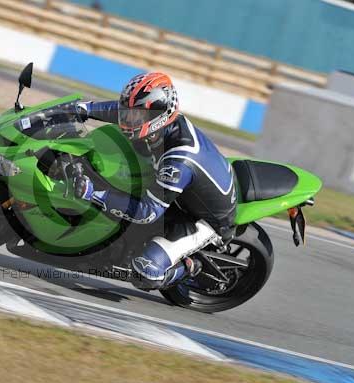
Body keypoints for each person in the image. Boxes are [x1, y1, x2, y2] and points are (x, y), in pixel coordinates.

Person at [72, 72, 237, 290]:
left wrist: (92, 193)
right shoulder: (160, 124)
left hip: (202, 220)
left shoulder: (179, 159)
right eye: (130, 113)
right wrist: (85, 109)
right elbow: (121, 112)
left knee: (145, 273)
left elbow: (147, 213)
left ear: (158, 115)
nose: (129, 119)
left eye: (137, 115)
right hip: (181, 194)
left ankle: (191, 267)